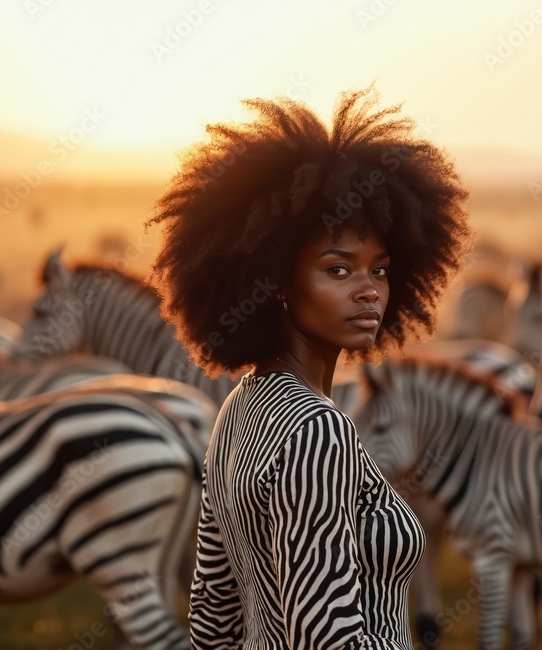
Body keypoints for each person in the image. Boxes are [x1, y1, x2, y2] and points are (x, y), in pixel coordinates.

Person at [145, 86, 473, 649]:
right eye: (338, 270)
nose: (370, 291)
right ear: (273, 281)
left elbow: (211, 616)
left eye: (381, 269)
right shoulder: (316, 429)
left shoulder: (241, 409)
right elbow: (325, 633)